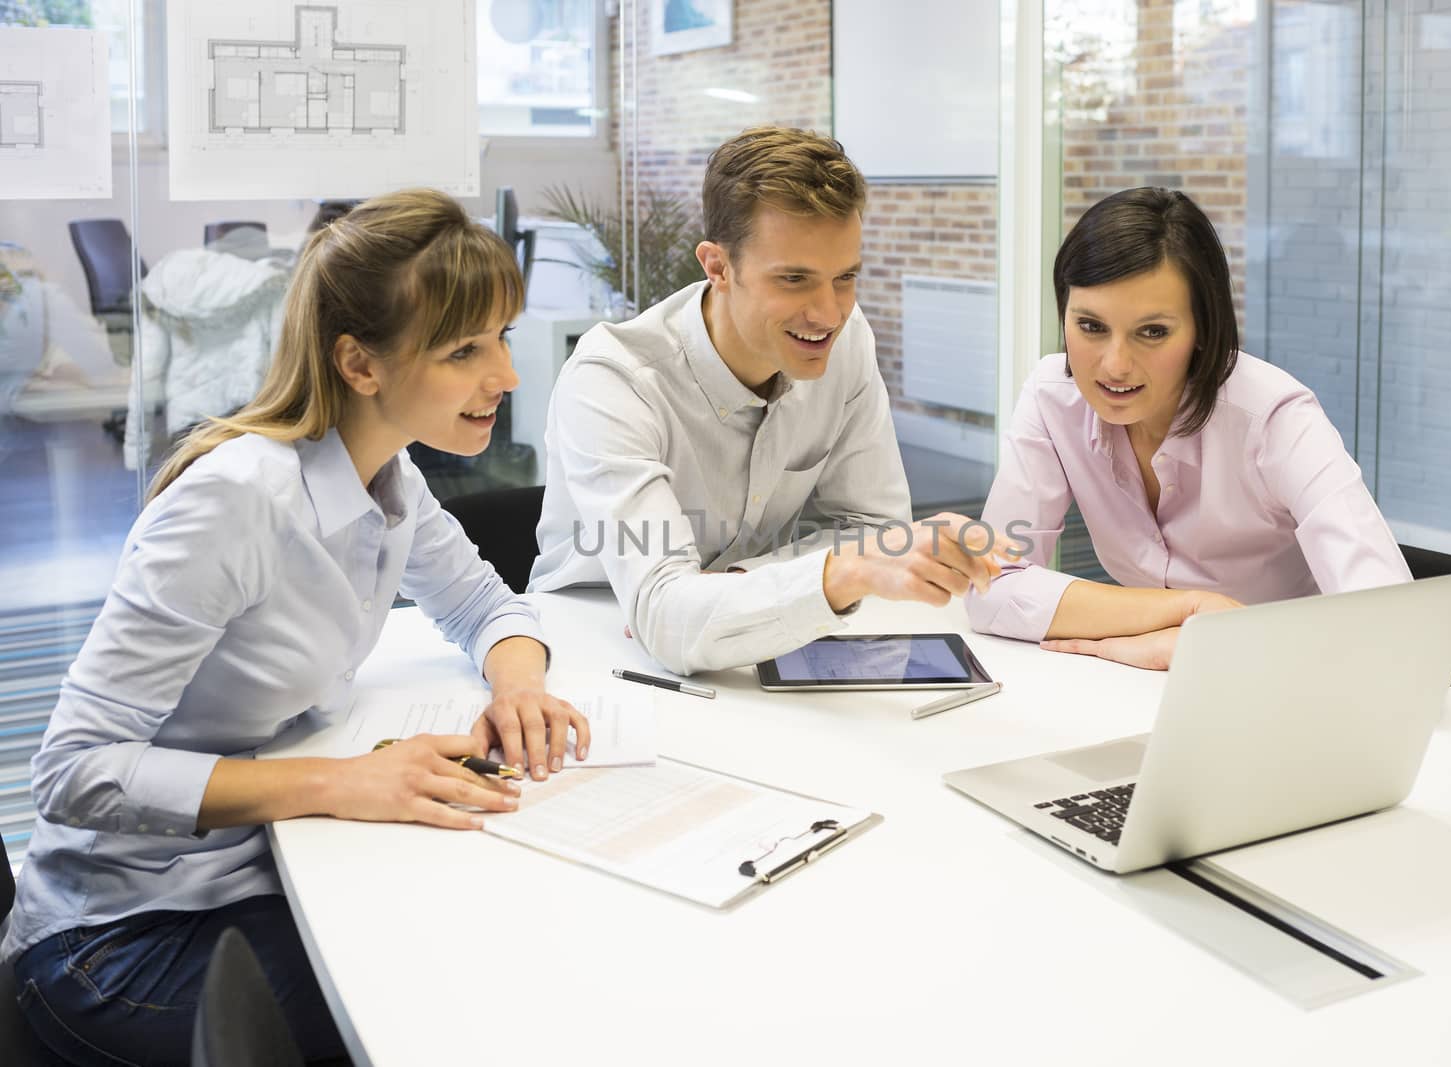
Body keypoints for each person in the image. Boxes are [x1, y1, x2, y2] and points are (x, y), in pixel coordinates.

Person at [3, 188, 589, 1064]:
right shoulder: (234, 502)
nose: (504, 375)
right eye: (467, 348)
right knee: (452, 1011)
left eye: (501, 337)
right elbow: (73, 773)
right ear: (361, 364)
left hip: (252, 874)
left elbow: (482, 603)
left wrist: (519, 688)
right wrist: (341, 781)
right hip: (118, 938)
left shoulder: (387, 474)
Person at [530, 126, 1003, 675]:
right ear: (718, 267)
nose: (828, 314)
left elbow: (873, 531)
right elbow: (662, 613)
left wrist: (741, 586)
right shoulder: (614, 379)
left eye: (845, 277)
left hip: (765, 640)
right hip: (600, 650)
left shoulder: (845, 344)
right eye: (794, 279)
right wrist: (836, 572)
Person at [966, 186, 1410, 670]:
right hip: (1142, 683)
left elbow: (1394, 630)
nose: (1115, 366)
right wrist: (1188, 611)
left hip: (1291, 684)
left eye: (1153, 331)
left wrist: (1215, 641)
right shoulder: (1053, 396)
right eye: (1091, 326)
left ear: (1203, 328)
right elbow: (991, 585)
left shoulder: (1276, 419)